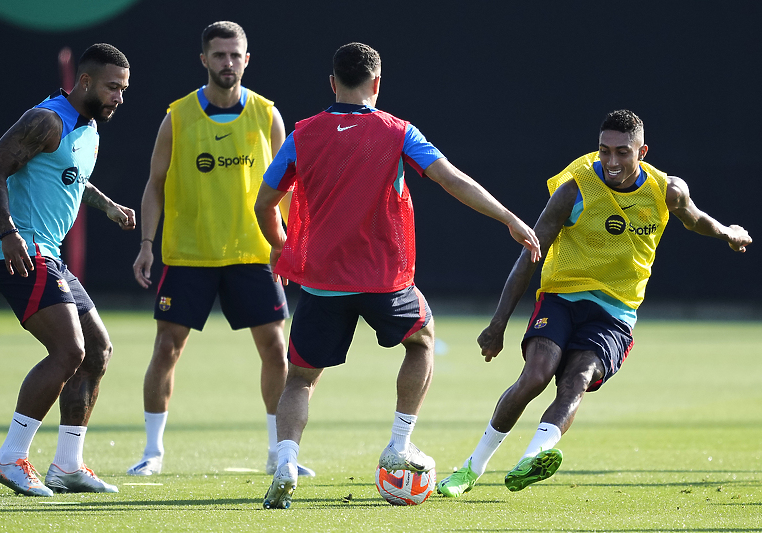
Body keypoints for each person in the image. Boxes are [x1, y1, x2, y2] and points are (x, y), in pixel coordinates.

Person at [255, 42, 541, 510]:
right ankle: (399, 443)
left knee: (301, 380)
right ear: (377, 83)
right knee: (422, 340)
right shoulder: (398, 131)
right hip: (384, 280)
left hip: (321, 282)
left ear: (332, 83)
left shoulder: (302, 134)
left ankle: (286, 462)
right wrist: (508, 217)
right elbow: (451, 178)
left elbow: (264, 203)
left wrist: (280, 245)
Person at [438, 109, 753, 497]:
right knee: (536, 376)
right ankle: (471, 469)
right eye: (604, 151)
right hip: (561, 297)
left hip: (615, 311)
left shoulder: (666, 189)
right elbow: (529, 255)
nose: (612, 162)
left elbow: (693, 219)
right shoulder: (574, 189)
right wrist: (498, 323)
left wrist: (728, 233)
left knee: (576, 381)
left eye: (623, 152)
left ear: (643, 151)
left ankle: (533, 457)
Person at [127, 21, 313, 479]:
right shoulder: (178, 116)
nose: (227, 63)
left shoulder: (267, 114)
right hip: (189, 252)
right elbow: (154, 184)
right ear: (204, 60)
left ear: (247, 60)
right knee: (167, 348)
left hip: (252, 251)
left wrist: (287, 245)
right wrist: (147, 243)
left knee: (276, 349)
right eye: (219, 55)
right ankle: (153, 452)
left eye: (235, 55)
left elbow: (288, 187)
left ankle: (278, 452)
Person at [0, 43, 134, 496]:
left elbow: (70, 176)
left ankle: (67, 465)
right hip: (21, 251)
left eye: (123, 90)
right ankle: (10, 457)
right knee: (69, 351)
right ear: (84, 81)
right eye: (112, 87)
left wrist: (107, 206)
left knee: (97, 352)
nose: (118, 98)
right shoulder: (46, 119)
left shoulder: (89, 130)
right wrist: (8, 232)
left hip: (50, 256)